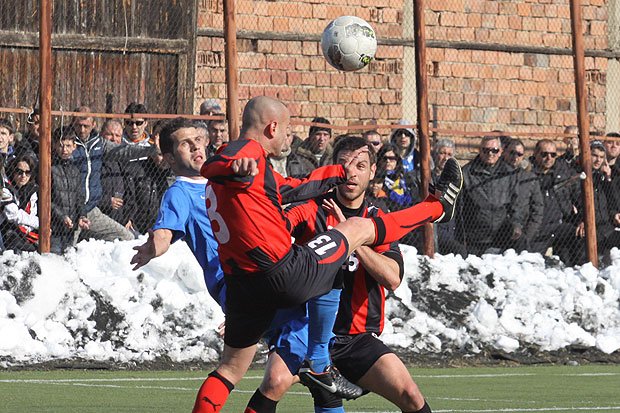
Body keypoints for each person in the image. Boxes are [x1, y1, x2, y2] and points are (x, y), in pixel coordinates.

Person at [192, 96, 463, 413]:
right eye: (288, 129)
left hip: (245, 286)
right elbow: (214, 165)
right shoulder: (247, 155)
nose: (289, 137)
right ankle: (437, 207)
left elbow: (291, 187)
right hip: (280, 273)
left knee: (228, 370)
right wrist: (230, 164)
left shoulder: (245, 176)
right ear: (272, 127)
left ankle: (318, 366)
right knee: (357, 228)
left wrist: (335, 173)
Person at [249, 136, 432, 413]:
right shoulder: (312, 208)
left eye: (360, 165)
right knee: (275, 381)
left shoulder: (377, 220)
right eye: (345, 164)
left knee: (410, 395)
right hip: (306, 330)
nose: (351, 172)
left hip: (355, 337)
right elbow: (274, 232)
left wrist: (350, 236)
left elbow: (393, 278)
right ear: (334, 167)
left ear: (372, 172)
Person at [130, 117, 225, 308]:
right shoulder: (180, 193)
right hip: (232, 280)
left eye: (197, 140)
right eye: (185, 144)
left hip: (262, 268)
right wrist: (154, 246)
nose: (195, 147)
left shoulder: (222, 179)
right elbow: (164, 233)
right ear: (171, 158)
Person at [71, 106, 154, 242]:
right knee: (68, 247)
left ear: (93, 124)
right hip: (71, 209)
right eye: (78, 125)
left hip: (91, 209)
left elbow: (124, 151)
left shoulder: (99, 143)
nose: (82, 130)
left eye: (86, 126)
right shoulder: (67, 143)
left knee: (126, 236)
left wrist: (151, 150)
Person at [457, 135, 527, 256]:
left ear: (500, 152)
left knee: (521, 242)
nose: (490, 154)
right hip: (474, 235)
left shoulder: (509, 173)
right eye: (486, 150)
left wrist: (516, 224)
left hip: (501, 233)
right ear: (480, 151)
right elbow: (459, 207)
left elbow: (516, 204)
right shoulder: (467, 173)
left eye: (494, 150)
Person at [528, 139, 581, 263]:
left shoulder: (563, 171)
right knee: (531, 263)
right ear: (535, 154)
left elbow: (578, 195)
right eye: (544, 154)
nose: (549, 158)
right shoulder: (528, 174)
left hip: (559, 225)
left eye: (553, 155)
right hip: (539, 230)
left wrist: (581, 219)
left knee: (581, 235)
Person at [50, 128, 89, 253]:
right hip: (54, 226)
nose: (64, 150)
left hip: (70, 227)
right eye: (61, 145)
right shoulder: (49, 168)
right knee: (54, 258)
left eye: (68, 146)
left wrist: (82, 215)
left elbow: (79, 197)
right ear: (55, 145)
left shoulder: (75, 170)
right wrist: (62, 216)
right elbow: (46, 200)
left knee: (68, 257)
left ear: (74, 147)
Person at [502, 138, 544, 251]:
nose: (515, 157)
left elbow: (538, 209)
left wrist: (527, 235)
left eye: (519, 154)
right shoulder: (495, 176)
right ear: (504, 152)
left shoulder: (530, 179)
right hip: (498, 230)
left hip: (522, 232)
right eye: (512, 153)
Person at [0, 154, 39, 252]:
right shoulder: (4, 188)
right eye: (19, 172)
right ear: (13, 172)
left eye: (28, 172)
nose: (23, 176)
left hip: (23, 233)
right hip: (4, 232)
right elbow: (13, 215)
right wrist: (39, 223)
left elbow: (31, 213)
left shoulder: (32, 190)